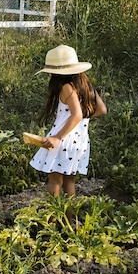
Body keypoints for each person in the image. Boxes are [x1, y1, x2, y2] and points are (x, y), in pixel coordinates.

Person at [30, 45, 107, 197]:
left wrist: (57, 137)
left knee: (55, 181)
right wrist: (78, 120)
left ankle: (54, 219)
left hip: (64, 140)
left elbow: (77, 114)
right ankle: (70, 219)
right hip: (79, 141)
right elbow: (102, 110)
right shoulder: (86, 86)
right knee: (69, 182)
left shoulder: (67, 87)